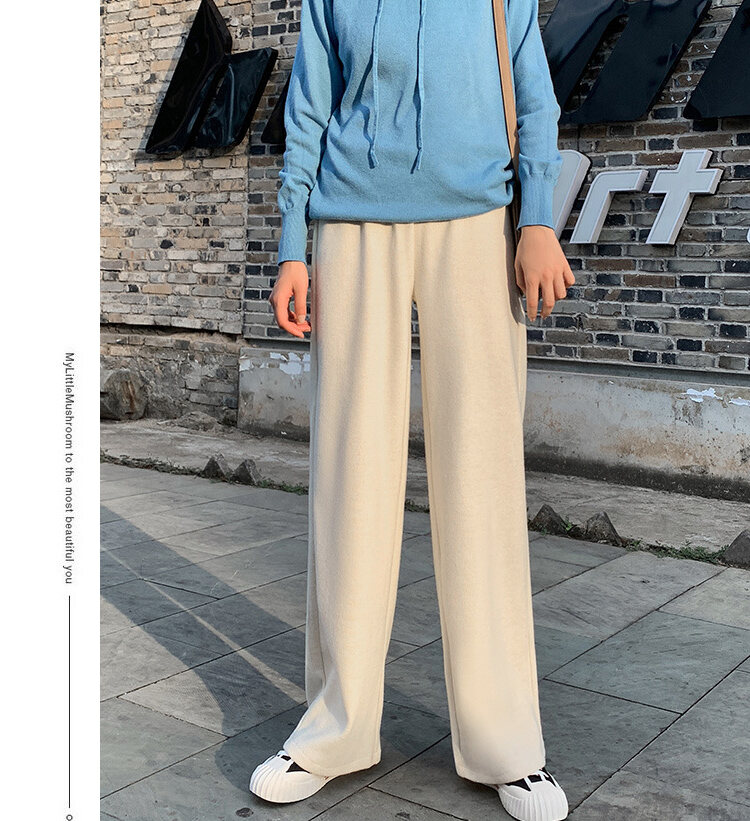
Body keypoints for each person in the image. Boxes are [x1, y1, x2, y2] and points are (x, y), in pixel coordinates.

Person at [250, 0, 574, 818]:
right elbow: (308, 109)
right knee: (351, 476)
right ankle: (334, 729)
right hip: (353, 225)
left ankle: (508, 745)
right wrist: (291, 246)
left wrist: (537, 216)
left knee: (484, 480)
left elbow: (535, 100)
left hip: (478, 224)